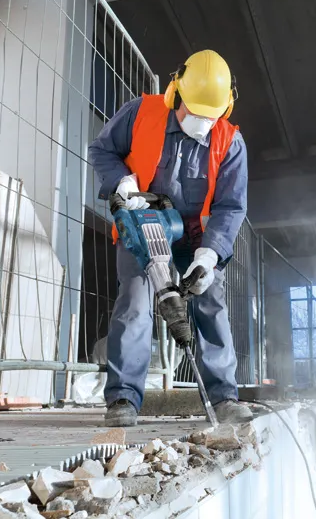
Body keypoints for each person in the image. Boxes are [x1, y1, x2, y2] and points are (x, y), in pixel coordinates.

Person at [89, 50, 252, 427]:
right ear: (175, 94)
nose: (202, 122)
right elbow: (101, 149)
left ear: (225, 108)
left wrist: (209, 256)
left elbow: (230, 206)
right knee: (134, 303)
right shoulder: (140, 113)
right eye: (194, 112)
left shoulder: (230, 143)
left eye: (210, 116)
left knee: (210, 301)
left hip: (197, 236)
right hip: (142, 223)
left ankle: (223, 396)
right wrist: (121, 181)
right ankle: (123, 398)